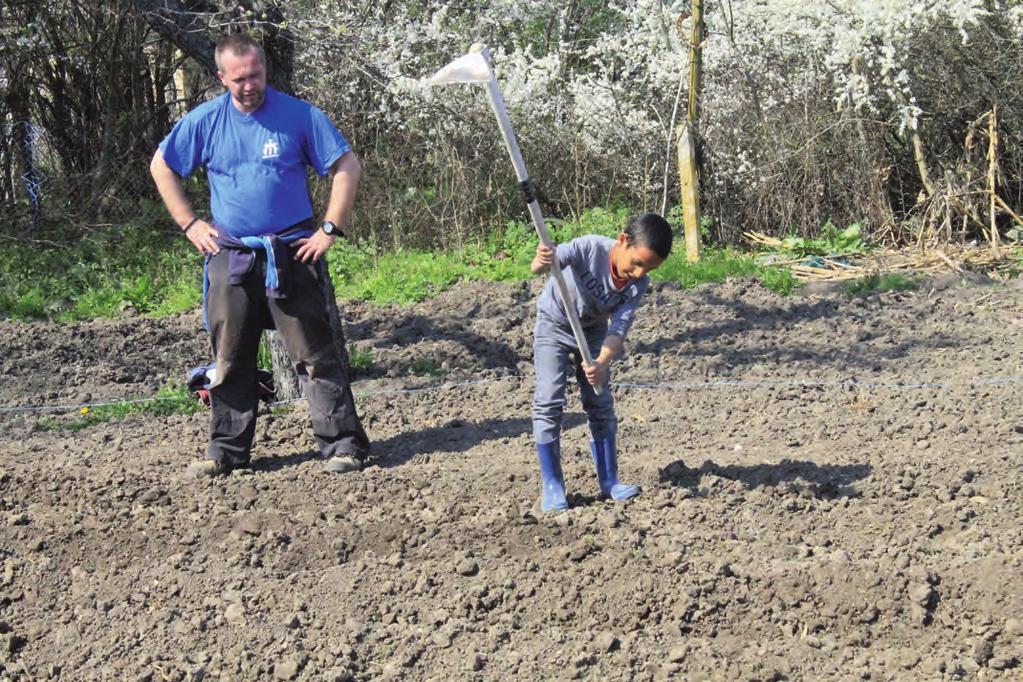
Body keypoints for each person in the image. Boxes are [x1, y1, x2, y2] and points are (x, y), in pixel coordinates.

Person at [150, 32, 370, 477]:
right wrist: (191, 224)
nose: (249, 85)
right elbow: (162, 165)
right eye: (239, 79)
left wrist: (330, 228)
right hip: (230, 254)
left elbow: (347, 165)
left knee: (314, 355)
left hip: (292, 252)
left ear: (265, 70)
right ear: (221, 77)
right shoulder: (205, 121)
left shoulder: (299, 115)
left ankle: (344, 444)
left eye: (256, 75)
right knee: (229, 357)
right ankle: (226, 451)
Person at [530, 213, 673, 511]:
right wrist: (543, 260)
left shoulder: (637, 286)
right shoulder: (589, 248)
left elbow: (618, 329)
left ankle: (609, 480)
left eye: (648, 268)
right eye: (637, 262)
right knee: (549, 400)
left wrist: (601, 362)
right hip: (553, 325)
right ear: (623, 240)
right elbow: (544, 265)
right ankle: (553, 484)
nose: (638, 273)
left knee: (600, 401)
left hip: (593, 332)